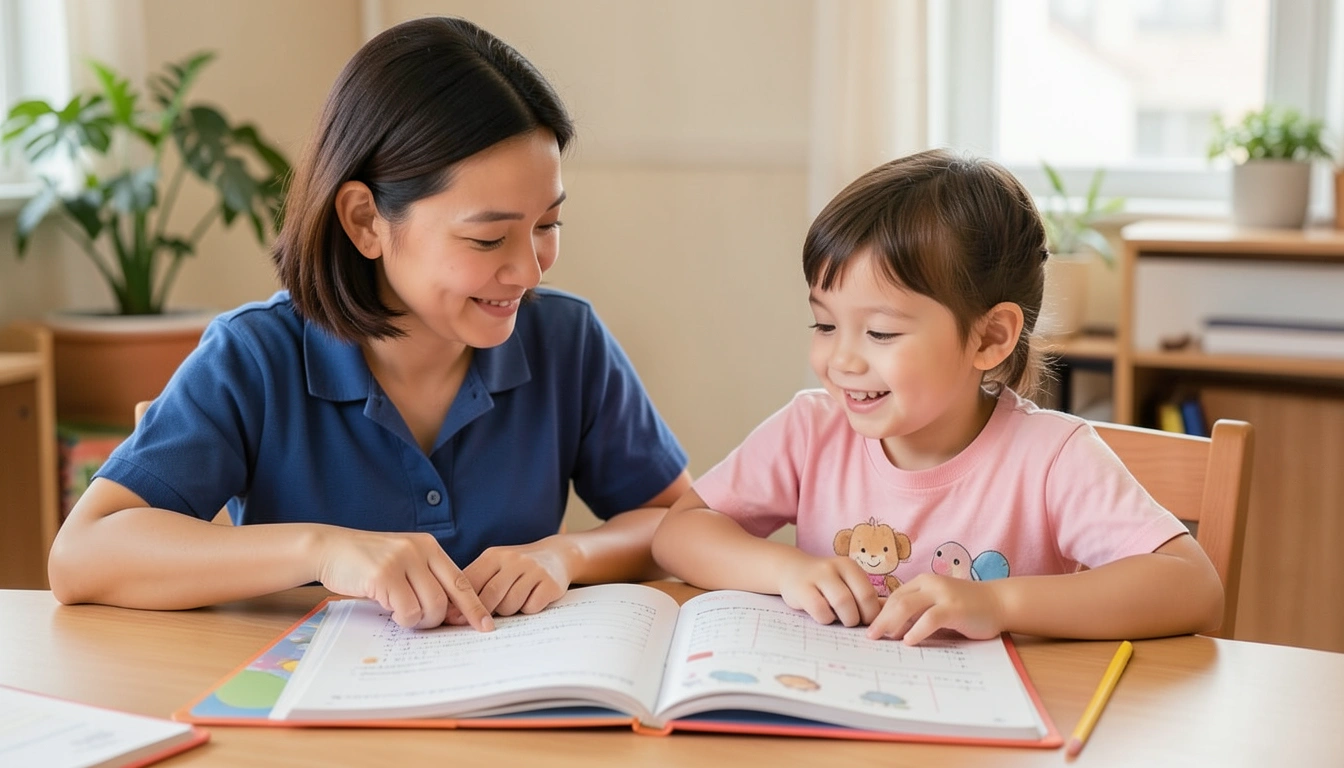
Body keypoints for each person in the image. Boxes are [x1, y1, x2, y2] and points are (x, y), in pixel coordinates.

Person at [48, 16, 691, 631]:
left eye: (547, 226)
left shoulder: (566, 341)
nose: (530, 270)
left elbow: (677, 519)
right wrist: (322, 551)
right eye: (490, 238)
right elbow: (82, 556)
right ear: (365, 221)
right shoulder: (254, 357)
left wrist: (568, 554)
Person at [652, 149, 1223, 646]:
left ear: (990, 337)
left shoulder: (1052, 457)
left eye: (880, 333)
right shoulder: (811, 430)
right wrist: (784, 568)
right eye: (824, 326)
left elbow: (1191, 586)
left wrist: (1000, 605)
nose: (842, 360)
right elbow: (679, 533)